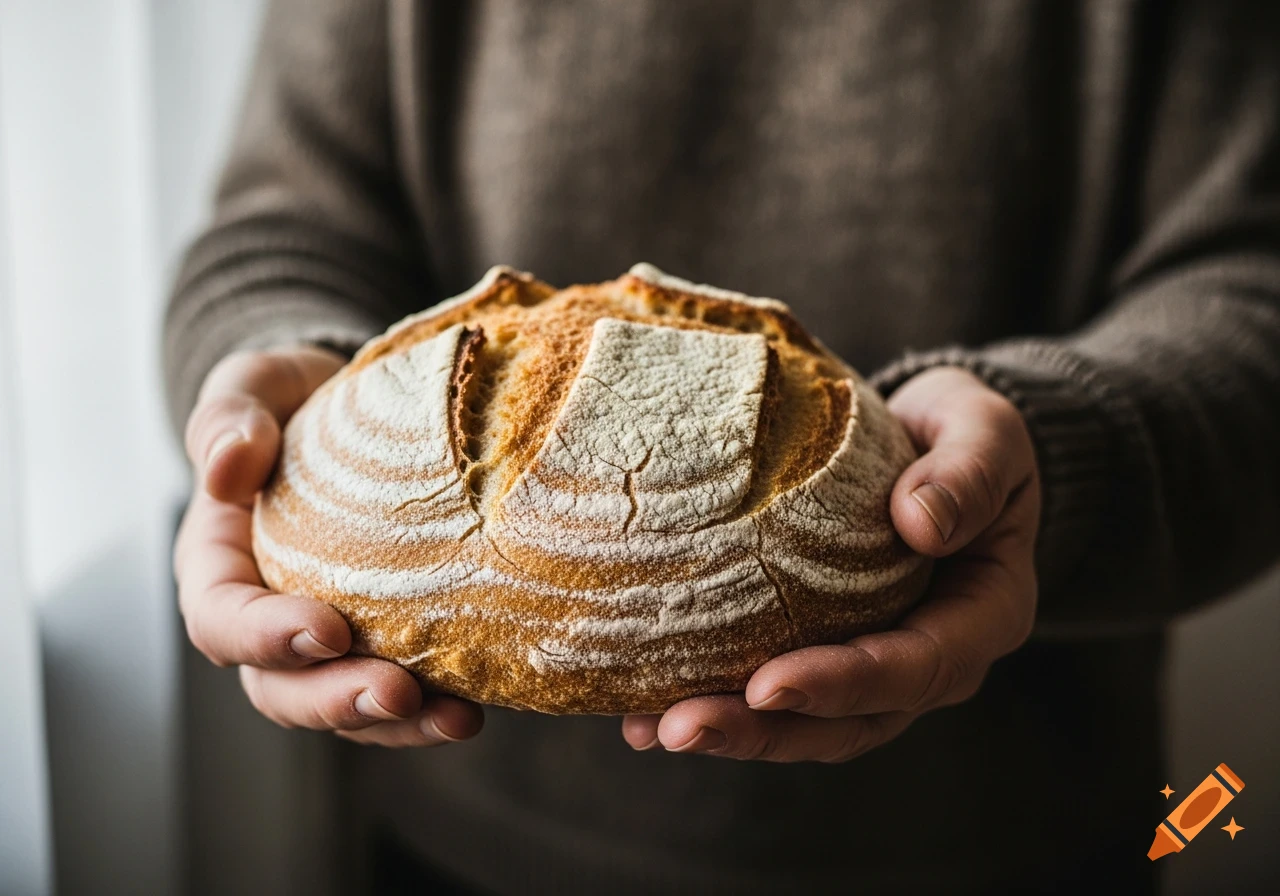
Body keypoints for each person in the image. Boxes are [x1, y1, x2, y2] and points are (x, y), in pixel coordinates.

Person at [165, 2, 1280, 893]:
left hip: (1004, 837)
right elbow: (290, 220)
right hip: (473, 837)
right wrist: (273, 375)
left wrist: (1041, 455)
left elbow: (1252, 282)